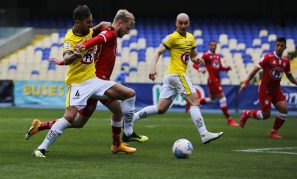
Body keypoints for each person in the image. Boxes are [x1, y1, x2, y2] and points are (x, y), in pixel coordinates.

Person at [26, 9, 147, 144]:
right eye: (127, 28)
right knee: (121, 104)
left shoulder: (106, 31)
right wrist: (82, 46)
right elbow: (97, 39)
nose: (127, 32)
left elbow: (91, 47)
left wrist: (63, 60)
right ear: (119, 23)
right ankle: (122, 138)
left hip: (96, 82)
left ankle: (40, 125)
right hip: (97, 83)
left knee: (78, 122)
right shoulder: (109, 32)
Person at [132, 13, 224, 144]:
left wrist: (197, 60)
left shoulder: (191, 38)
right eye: (180, 23)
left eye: (185, 23)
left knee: (161, 108)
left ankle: (131, 118)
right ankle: (204, 134)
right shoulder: (172, 38)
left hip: (171, 76)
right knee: (195, 102)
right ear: (176, 23)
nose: (183, 25)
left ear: (189, 23)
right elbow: (158, 52)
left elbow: (193, 56)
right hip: (177, 74)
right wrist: (152, 68)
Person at [239, 37, 297, 139]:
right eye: (277, 45)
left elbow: (289, 76)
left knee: (284, 109)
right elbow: (255, 70)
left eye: (281, 46)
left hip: (276, 90)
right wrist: (245, 82)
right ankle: (246, 113)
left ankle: (273, 132)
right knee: (266, 115)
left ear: (285, 47)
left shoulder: (286, 61)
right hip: (265, 90)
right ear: (275, 46)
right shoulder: (267, 57)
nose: (279, 48)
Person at [185, 41, 239, 126]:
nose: (213, 46)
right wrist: (200, 69)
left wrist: (226, 68)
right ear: (209, 46)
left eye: (214, 45)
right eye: (211, 45)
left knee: (212, 100)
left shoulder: (217, 56)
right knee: (223, 98)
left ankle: (191, 103)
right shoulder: (206, 55)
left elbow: (218, 67)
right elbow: (195, 64)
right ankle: (229, 120)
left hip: (217, 80)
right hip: (212, 80)